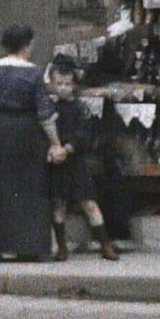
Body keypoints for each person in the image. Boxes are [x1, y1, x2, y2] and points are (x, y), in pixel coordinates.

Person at [0, 22, 66, 262]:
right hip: (26, 132)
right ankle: (27, 245)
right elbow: (44, 114)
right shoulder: (33, 72)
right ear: (27, 45)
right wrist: (55, 143)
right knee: (28, 188)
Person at [47, 53, 122, 260]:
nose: (63, 87)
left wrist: (67, 149)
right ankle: (62, 247)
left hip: (75, 160)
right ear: (53, 84)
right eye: (59, 83)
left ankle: (105, 244)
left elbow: (84, 135)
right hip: (56, 162)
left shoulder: (80, 108)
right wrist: (53, 150)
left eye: (67, 83)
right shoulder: (49, 108)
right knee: (58, 203)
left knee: (89, 202)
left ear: (74, 84)